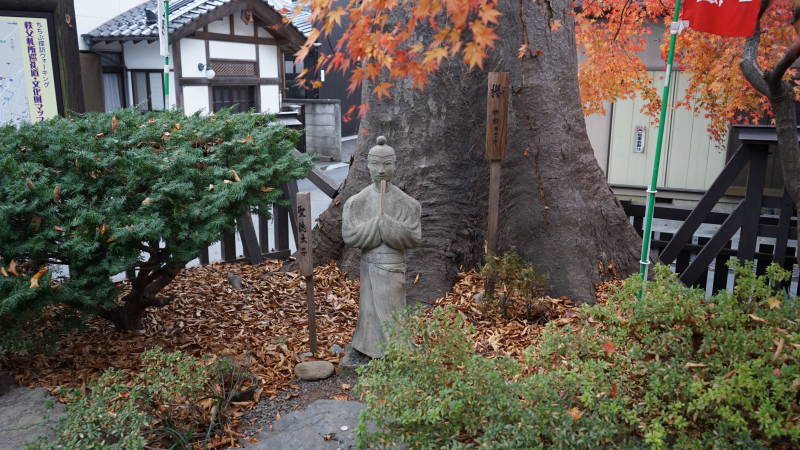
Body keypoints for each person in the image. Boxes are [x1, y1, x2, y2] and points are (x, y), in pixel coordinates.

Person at [342, 136, 421, 358]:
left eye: (387, 164)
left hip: (393, 266)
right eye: (376, 164)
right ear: (367, 166)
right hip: (370, 265)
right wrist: (376, 225)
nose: (381, 170)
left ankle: (397, 350)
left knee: (393, 311)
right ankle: (368, 347)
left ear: (395, 165)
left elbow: (414, 236)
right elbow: (350, 235)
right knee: (369, 311)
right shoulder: (356, 202)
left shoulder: (408, 203)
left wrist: (388, 226)